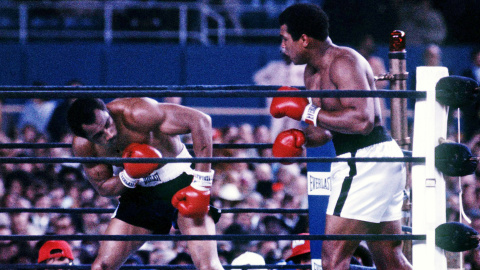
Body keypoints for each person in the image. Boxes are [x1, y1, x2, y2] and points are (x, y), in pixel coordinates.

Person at [271, 4, 412, 269]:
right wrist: (300, 141)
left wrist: (307, 110)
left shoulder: (344, 61)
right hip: (367, 160)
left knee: (332, 258)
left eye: (285, 39)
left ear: (304, 39)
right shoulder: (311, 72)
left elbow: (362, 121)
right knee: (389, 258)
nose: (282, 46)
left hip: (365, 160)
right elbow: (324, 130)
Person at [66, 97, 224, 270]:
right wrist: (130, 175)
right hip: (140, 191)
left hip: (181, 179)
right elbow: (103, 187)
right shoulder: (85, 147)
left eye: (107, 124)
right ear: (85, 137)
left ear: (108, 112)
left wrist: (202, 184)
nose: (109, 134)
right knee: (101, 266)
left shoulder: (136, 113)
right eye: (98, 135)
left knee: (208, 265)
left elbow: (200, 120)